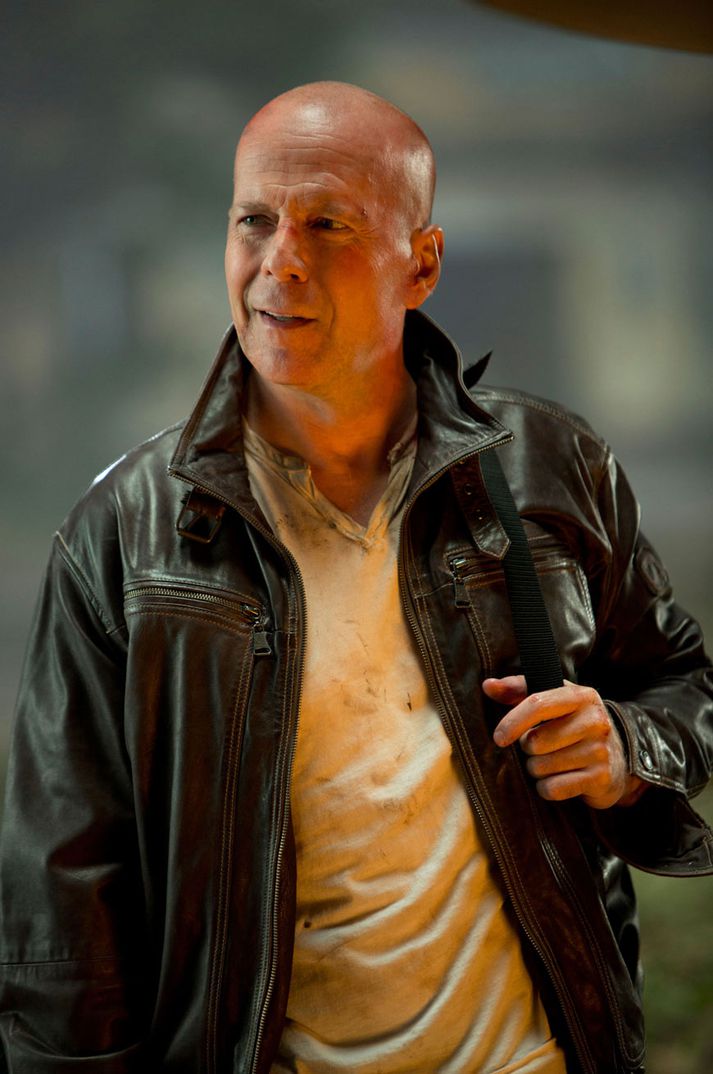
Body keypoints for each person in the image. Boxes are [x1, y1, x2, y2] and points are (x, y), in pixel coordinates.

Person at [0, 81, 711, 1074]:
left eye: (327, 224)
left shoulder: (550, 467)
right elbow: (63, 906)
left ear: (419, 265)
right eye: (254, 221)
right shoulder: (125, 532)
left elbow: (683, 685)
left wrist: (624, 747)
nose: (279, 260)